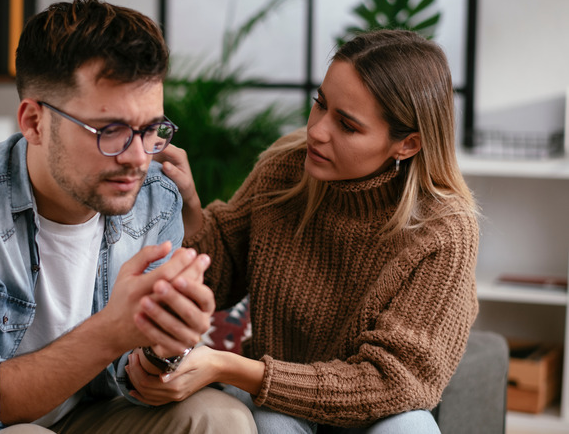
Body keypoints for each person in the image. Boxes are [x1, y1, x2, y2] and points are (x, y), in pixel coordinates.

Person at [0, 0, 255, 433]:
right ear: (34, 122)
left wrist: (163, 349)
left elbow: (131, 372)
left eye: (151, 129)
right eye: (111, 131)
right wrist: (113, 331)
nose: (138, 158)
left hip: (86, 412)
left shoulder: (155, 195)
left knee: (221, 418)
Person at [131, 29, 480, 433]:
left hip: (375, 412)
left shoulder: (443, 230)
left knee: (409, 429)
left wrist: (226, 365)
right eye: (321, 104)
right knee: (273, 421)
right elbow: (217, 279)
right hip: (276, 402)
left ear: (408, 144)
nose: (316, 131)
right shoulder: (287, 169)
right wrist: (189, 203)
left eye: (347, 125)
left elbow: (392, 383)